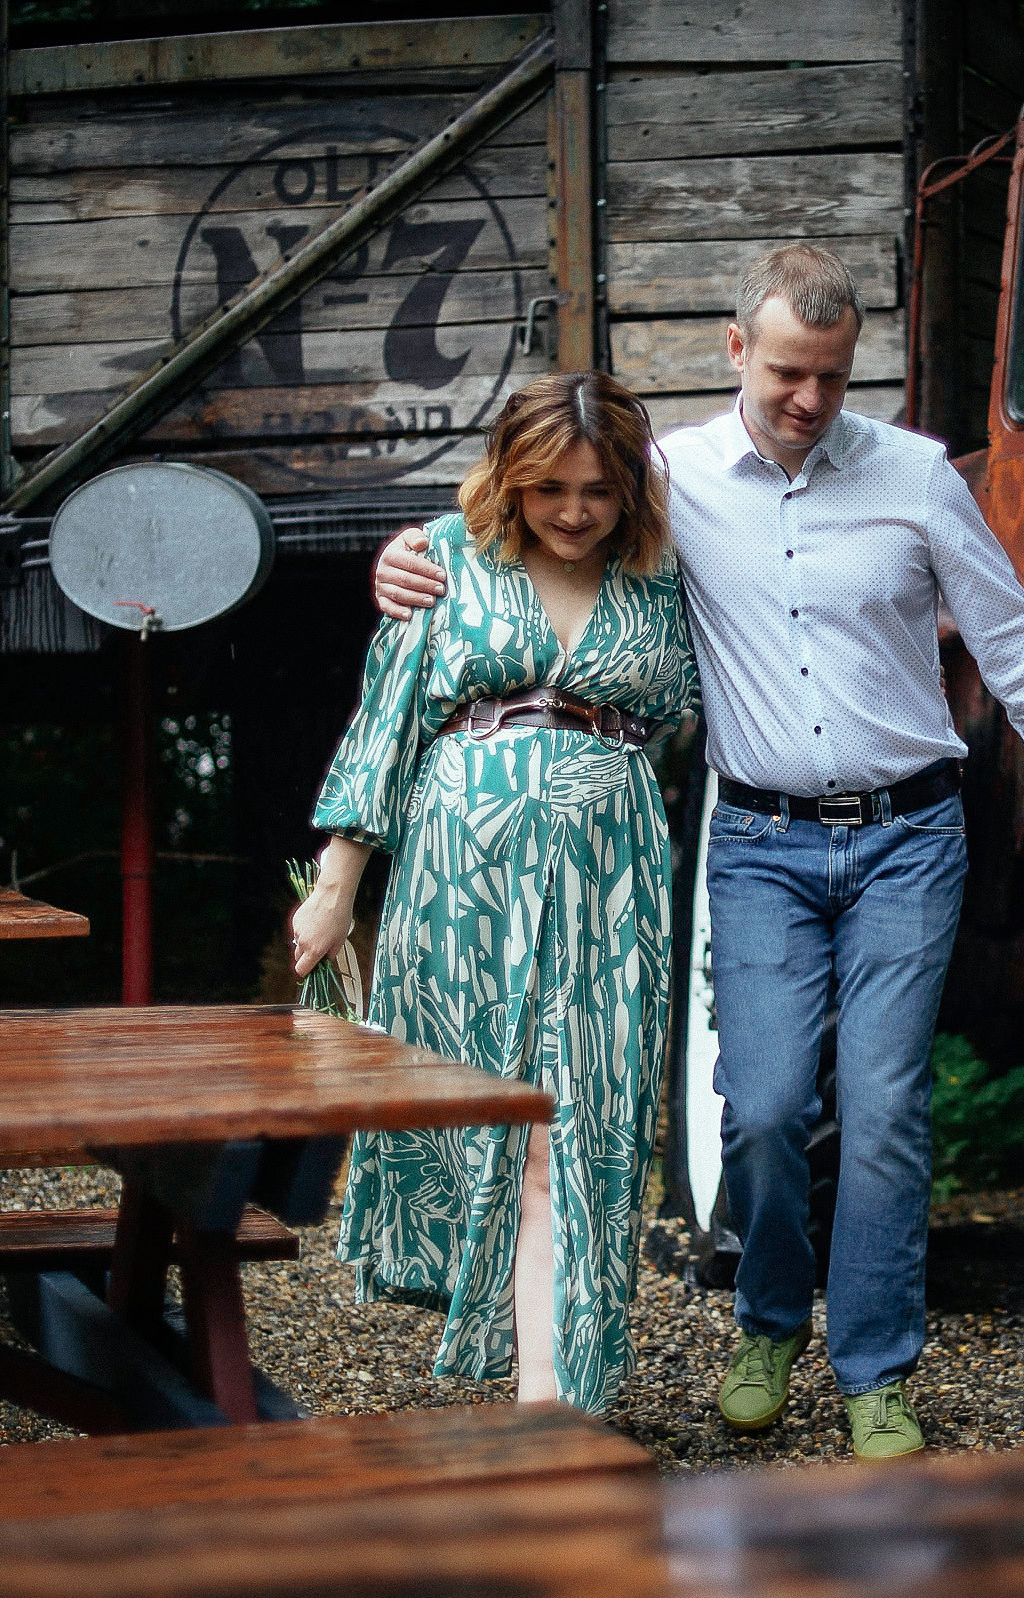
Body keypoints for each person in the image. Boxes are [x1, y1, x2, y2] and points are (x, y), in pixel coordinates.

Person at [372, 244, 1024, 1458]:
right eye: (788, 371)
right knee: (766, 1108)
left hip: (907, 833)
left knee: (888, 1104)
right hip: (756, 841)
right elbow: (537, 502)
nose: (809, 399)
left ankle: (875, 1365)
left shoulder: (914, 476)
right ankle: (769, 1316)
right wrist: (407, 554)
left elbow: (1012, 643)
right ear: (735, 351)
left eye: (834, 378)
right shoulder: (664, 476)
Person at [294, 369, 696, 1414]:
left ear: (630, 491)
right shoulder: (444, 557)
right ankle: (543, 1387)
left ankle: (553, 1397)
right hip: (459, 883)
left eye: (597, 491)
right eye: (548, 487)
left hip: (613, 881)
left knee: (586, 1124)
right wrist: (337, 887)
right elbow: (384, 725)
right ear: (509, 477)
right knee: (496, 1125)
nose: (572, 511)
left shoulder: (663, 576)